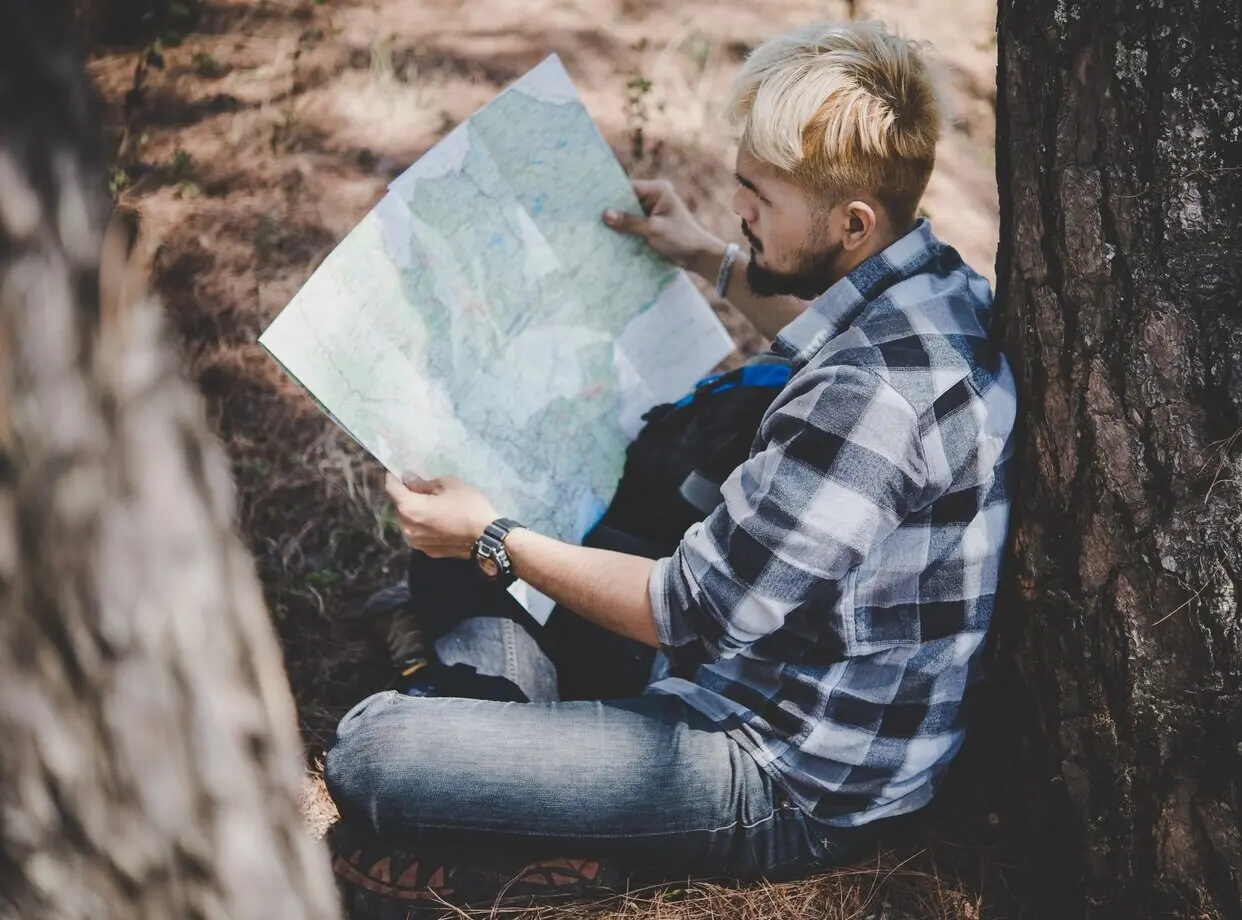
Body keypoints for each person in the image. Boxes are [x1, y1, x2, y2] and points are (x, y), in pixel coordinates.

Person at [324, 17, 1018, 916]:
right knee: (461, 557)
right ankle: (517, 766)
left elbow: (684, 611)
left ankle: (511, 779)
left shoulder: (865, 401)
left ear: (853, 223)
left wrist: (493, 534)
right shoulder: (938, 289)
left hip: (780, 777)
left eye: (759, 198)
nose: (739, 211)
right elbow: (822, 333)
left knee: (371, 751)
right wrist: (706, 258)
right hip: (768, 674)